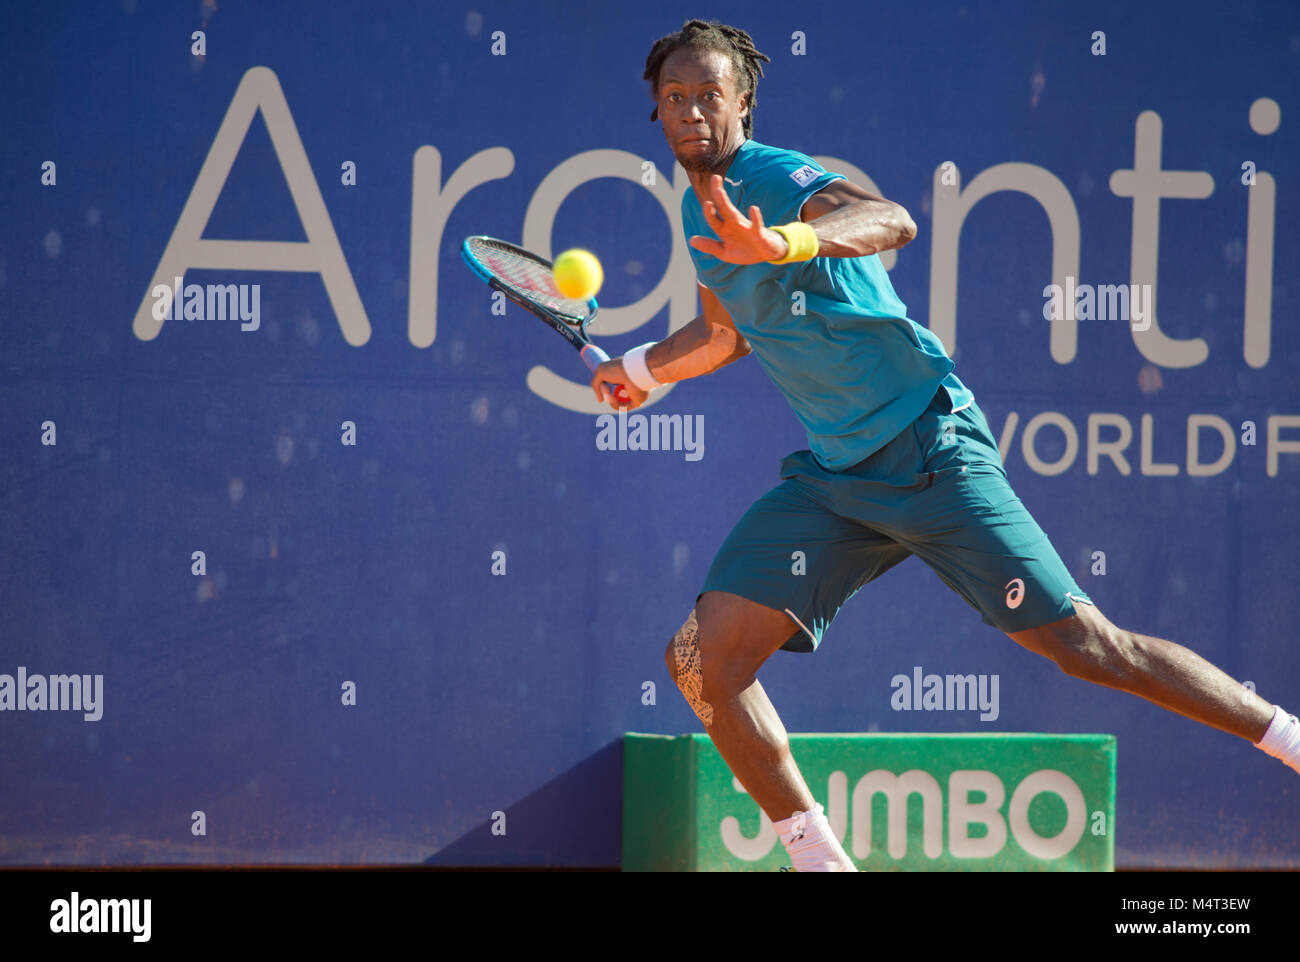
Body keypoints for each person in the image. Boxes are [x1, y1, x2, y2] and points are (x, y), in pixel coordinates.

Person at [590, 18, 1299, 873]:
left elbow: (886, 219)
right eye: (676, 99)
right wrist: (637, 369)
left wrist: (788, 240)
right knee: (701, 661)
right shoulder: (694, 203)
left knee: (1090, 650)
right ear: (658, 116)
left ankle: (1290, 739)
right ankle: (820, 864)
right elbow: (723, 334)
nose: (694, 111)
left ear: (743, 102)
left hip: (928, 447)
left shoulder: (772, 177)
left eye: (711, 94)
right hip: (836, 479)